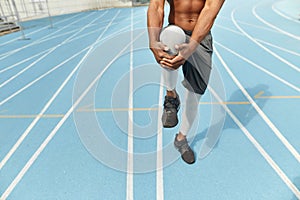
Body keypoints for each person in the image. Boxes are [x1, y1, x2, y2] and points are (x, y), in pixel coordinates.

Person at [147, 0, 225, 164]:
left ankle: (181, 139)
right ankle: (171, 96)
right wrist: (153, 41)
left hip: (201, 36)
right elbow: (156, 6)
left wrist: (192, 45)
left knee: (193, 97)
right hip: (175, 32)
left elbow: (211, 9)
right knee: (168, 49)